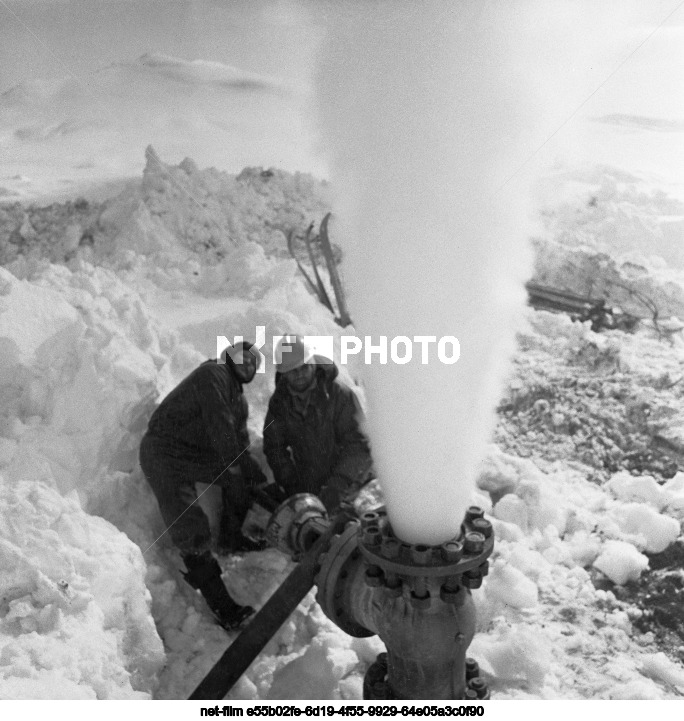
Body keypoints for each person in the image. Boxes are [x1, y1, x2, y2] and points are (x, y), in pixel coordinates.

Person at [139, 341, 266, 631]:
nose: (248, 365)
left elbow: (240, 442)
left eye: (253, 364)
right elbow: (218, 421)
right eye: (243, 358)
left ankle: (231, 537)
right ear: (228, 357)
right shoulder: (214, 373)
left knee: (242, 481)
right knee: (190, 527)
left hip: (193, 454)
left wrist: (255, 478)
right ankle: (223, 606)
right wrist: (232, 464)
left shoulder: (239, 399)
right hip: (163, 451)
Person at [263, 336, 374, 512]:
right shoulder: (279, 403)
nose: (299, 374)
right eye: (293, 370)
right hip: (311, 487)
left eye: (304, 367)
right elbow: (274, 446)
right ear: (283, 373)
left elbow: (358, 444)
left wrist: (339, 484)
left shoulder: (339, 395)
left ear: (313, 363)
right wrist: (291, 483)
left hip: (352, 486)